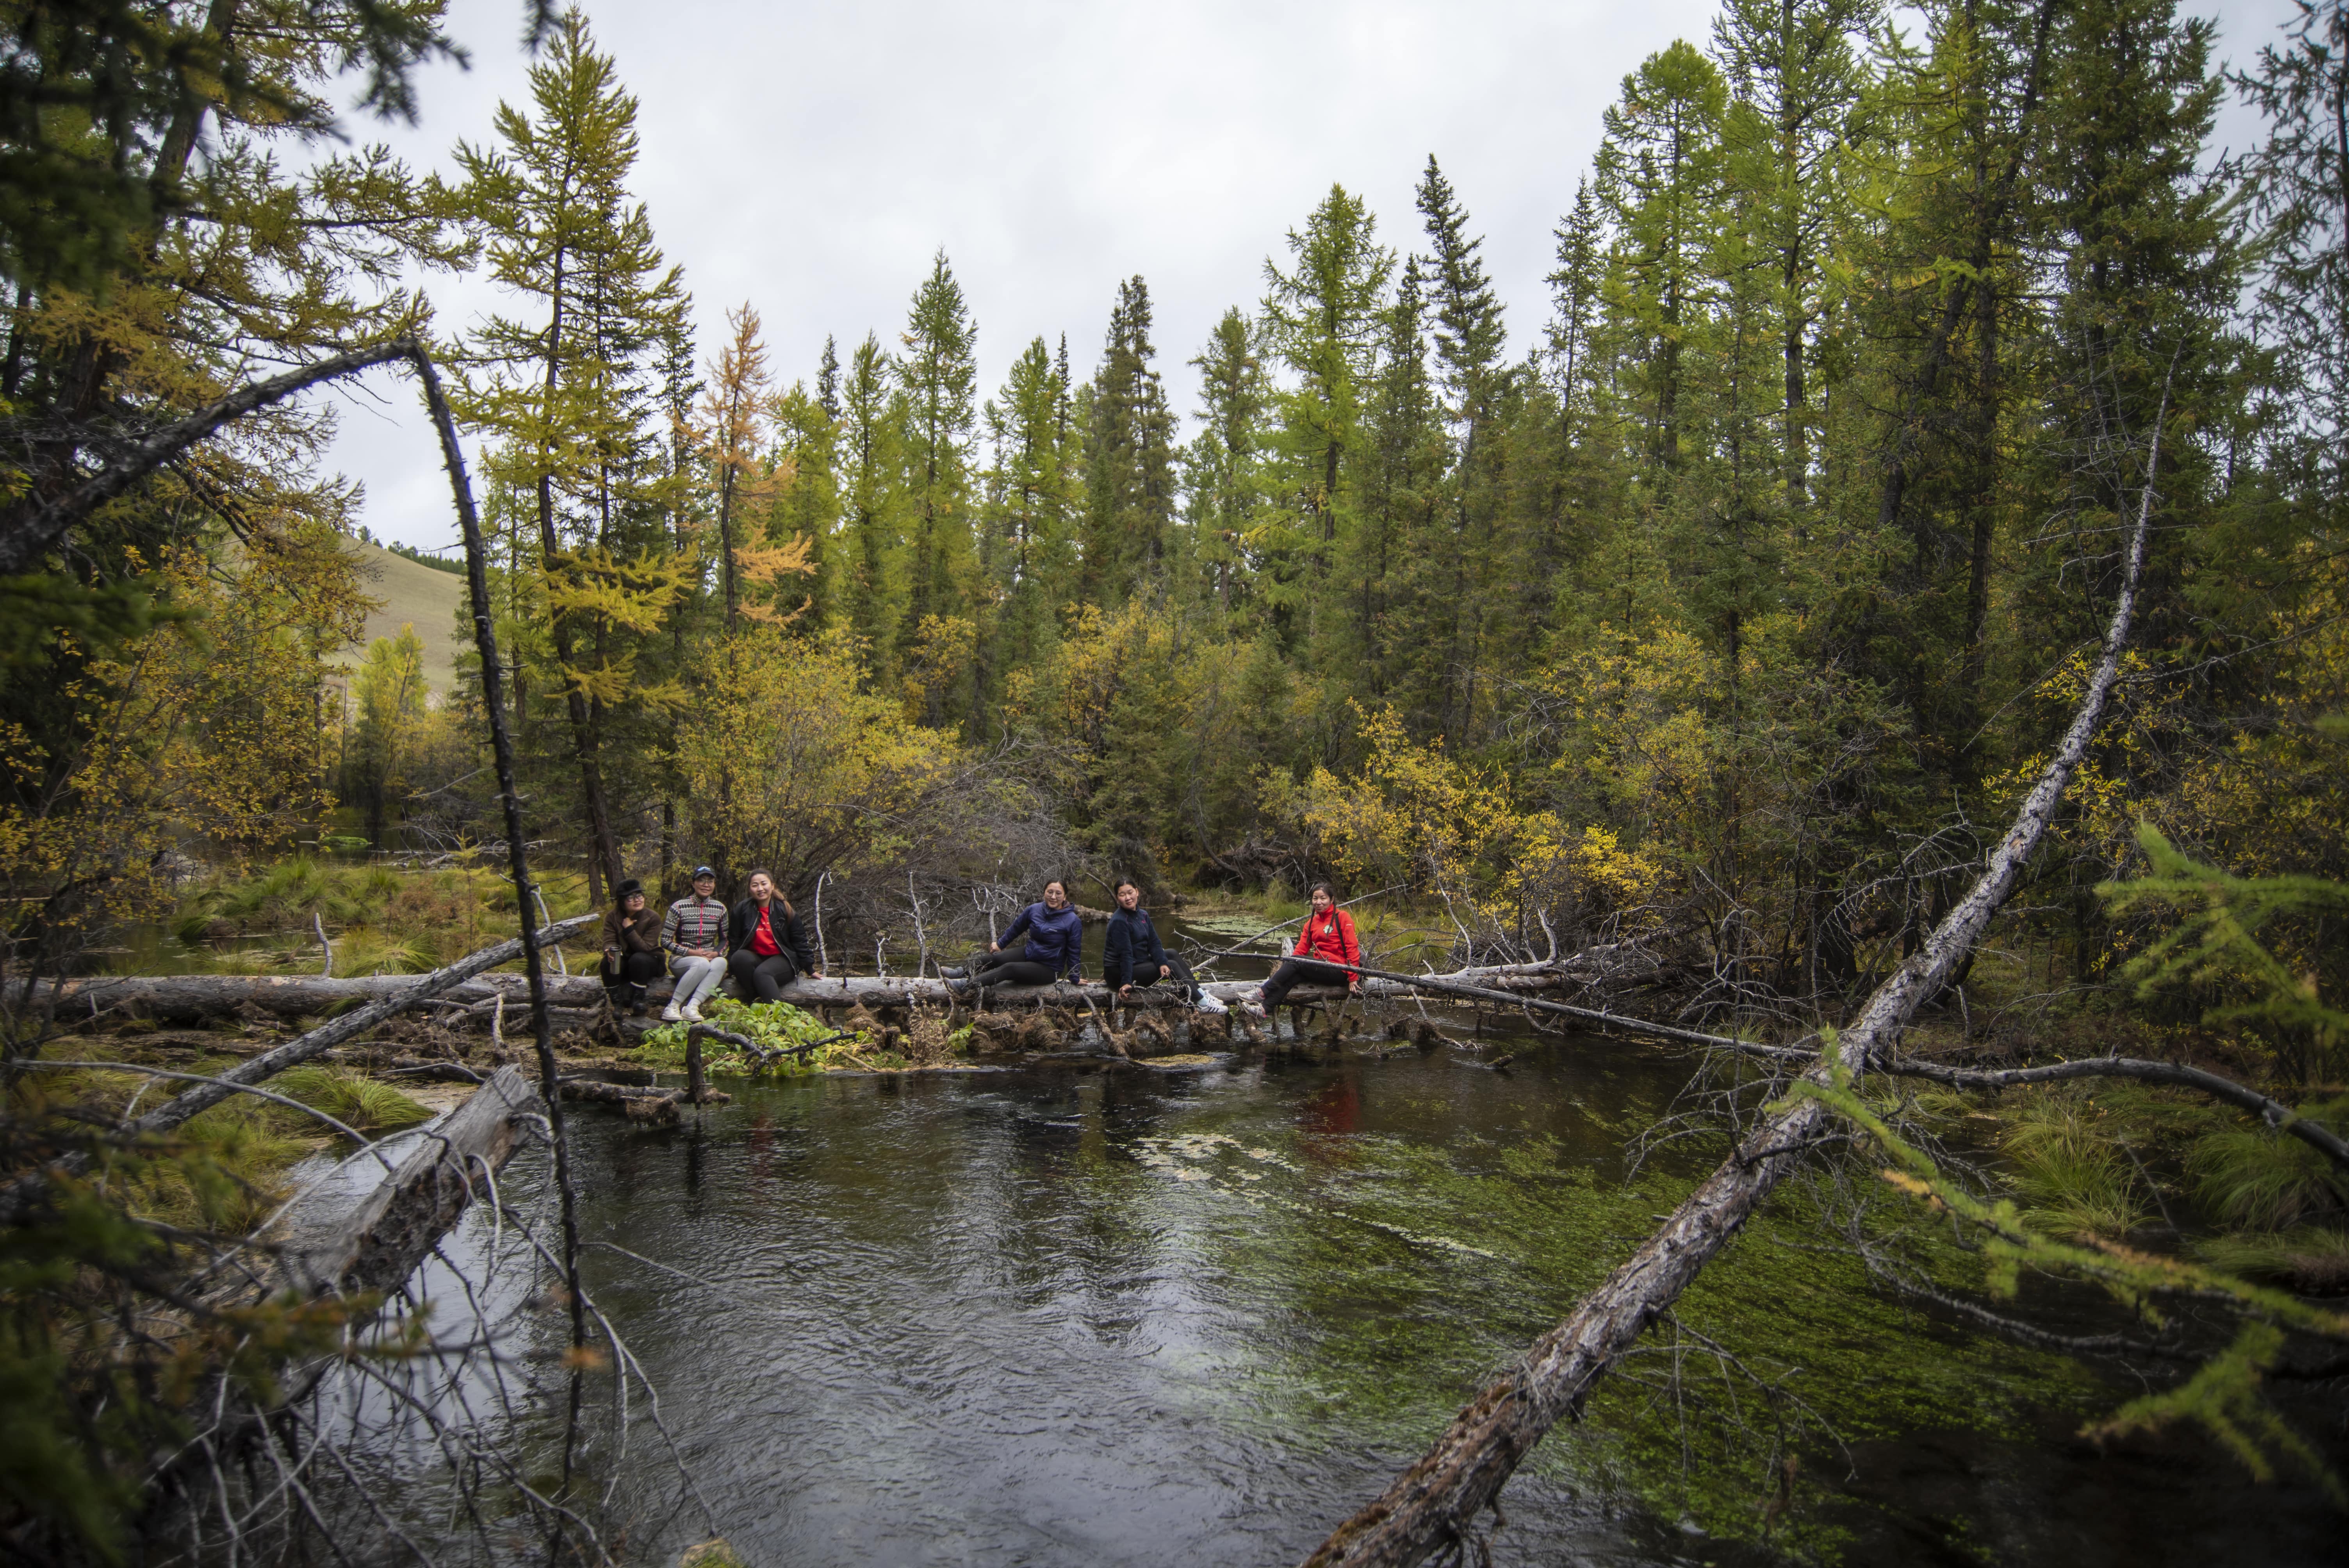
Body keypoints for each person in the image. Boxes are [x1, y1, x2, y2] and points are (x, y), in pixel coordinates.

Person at [1103, 877, 1224, 1012]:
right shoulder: (1119, 921)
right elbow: (1125, 954)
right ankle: (1201, 1003)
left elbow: (1154, 943)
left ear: (1137, 892)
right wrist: (1126, 982)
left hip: (1137, 962)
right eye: (1122, 895)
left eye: (1130, 892)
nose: (1128, 898)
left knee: (1171, 953)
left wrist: (1161, 963)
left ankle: (1200, 993)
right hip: (1119, 973)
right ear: (1117, 898)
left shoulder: (1143, 915)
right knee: (1171, 965)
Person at [1246, 882, 1360, 1016]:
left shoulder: (1342, 917)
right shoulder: (1312, 923)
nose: (1318, 902)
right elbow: (1300, 950)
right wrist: (1288, 969)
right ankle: (1264, 1010)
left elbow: (1352, 947)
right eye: (1315, 898)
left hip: (1339, 971)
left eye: (1323, 898)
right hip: (1321, 968)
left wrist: (1353, 977)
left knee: (1296, 962)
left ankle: (1262, 992)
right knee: (1295, 975)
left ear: (1332, 900)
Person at [945, 879, 1082, 990]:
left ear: (1065, 896)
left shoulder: (1072, 921)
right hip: (1030, 953)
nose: (1053, 897)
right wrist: (1000, 944)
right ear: (1044, 893)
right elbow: (1016, 928)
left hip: (1049, 969)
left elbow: (1074, 951)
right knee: (996, 958)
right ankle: (960, 972)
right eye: (1050, 892)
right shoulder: (1034, 910)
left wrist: (1075, 977)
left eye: (1058, 894)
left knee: (1009, 969)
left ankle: (966, 985)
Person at [727, 869, 820, 1002]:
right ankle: (756, 1001)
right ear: (750, 889)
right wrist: (729, 969)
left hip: (784, 959)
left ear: (772, 886)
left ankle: (774, 1012)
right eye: (755, 885)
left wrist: (809, 968)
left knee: (762, 973)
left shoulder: (785, 910)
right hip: (756, 958)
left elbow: (800, 941)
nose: (760, 889)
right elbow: (734, 940)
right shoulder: (743, 909)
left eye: (764, 884)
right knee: (739, 958)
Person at [659, 865, 728, 1022]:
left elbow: (725, 939)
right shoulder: (678, 907)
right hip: (682, 960)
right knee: (701, 963)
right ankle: (672, 1007)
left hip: (708, 957)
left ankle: (692, 1007)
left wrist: (716, 953)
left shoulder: (720, 909)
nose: (706, 885)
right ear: (693, 883)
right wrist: (692, 953)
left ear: (714, 884)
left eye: (710, 881)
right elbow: (665, 941)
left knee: (721, 962)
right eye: (701, 881)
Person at [600, 880, 664, 1016]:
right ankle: (616, 1002)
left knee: (639, 959)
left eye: (639, 896)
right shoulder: (613, 916)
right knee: (608, 962)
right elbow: (609, 940)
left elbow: (646, 948)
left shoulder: (652, 917)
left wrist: (629, 929)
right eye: (630, 897)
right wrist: (609, 950)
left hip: (649, 961)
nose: (637, 900)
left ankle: (638, 1000)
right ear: (622, 901)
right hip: (626, 961)